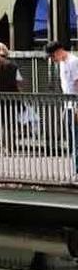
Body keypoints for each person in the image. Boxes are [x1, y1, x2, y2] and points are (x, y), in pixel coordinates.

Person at [52, 42, 78, 177]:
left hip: (75, 104)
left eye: (53, 56)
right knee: (72, 137)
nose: (53, 60)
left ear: (58, 51)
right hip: (68, 104)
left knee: (76, 136)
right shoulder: (62, 63)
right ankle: (75, 167)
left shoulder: (73, 61)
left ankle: (76, 169)